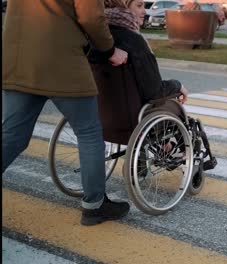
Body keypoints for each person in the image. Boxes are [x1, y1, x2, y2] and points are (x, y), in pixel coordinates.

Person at [2, 0, 131, 226]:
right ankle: (95, 206)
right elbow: (91, 17)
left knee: (12, 136)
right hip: (63, 62)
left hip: (19, 59)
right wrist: (110, 50)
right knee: (89, 133)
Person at [88, 0, 188, 146]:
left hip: (99, 117)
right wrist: (178, 86)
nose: (145, 11)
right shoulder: (134, 41)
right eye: (139, 6)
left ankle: (164, 145)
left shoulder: (96, 39)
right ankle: (175, 149)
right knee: (174, 105)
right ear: (123, 7)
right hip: (132, 122)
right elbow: (154, 91)